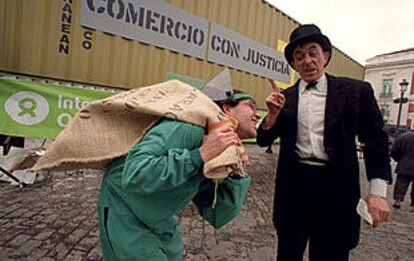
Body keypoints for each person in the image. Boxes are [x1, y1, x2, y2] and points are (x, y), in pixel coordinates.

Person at [256, 24, 392, 261]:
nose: (307, 60)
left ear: (325, 56)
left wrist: (378, 192)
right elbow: (263, 139)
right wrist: (272, 116)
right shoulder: (284, 98)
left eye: (312, 53)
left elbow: (376, 140)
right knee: (288, 253)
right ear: (293, 64)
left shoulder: (356, 91)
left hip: (336, 191)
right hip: (294, 190)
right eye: (299, 57)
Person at [97, 87, 260, 260]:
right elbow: (135, 172)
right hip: (124, 207)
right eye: (251, 106)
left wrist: (236, 174)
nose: (257, 115)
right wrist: (200, 155)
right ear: (227, 108)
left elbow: (217, 215)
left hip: (159, 215)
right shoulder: (189, 126)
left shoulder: (221, 151)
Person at [390, 131, 414, 211]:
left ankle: (397, 201)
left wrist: (399, 159)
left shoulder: (404, 136)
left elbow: (394, 150)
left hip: (405, 163)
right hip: (406, 162)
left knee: (401, 183)